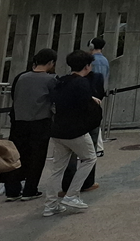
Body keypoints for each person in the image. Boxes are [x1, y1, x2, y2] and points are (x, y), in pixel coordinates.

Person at [42, 51, 102, 218]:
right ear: (87, 66)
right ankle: (72, 195)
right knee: (89, 158)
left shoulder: (61, 81)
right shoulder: (82, 83)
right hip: (75, 131)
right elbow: (85, 107)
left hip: (58, 130)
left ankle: (50, 205)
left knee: (57, 169)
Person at [0, 48, 57, 201]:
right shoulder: (51, 79)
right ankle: (30, 190)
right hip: (40, 121)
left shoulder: (21, 77)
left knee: (16, 155)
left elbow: (15, 96)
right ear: (51, 62)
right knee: (37, 156)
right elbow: (54, 100)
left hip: (19, 121)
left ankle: (12, 190)